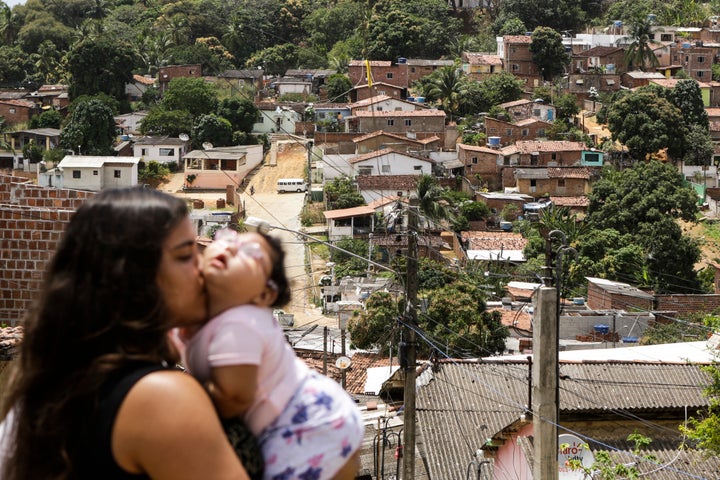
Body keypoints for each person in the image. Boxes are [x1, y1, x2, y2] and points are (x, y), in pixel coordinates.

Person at [0, 187, 267, 480]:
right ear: (134, 278)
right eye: (184, 256)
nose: (203, 267)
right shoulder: (161, 399)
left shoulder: (47, 391)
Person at [181, 228, 364, 480]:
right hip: (307, 421)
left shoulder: (241, 322)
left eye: (251, 253)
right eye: (227, 238)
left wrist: (184, 397)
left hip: (307, 424)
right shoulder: (208, 322)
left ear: (264, 294)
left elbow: (234, 396)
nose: (230, 248)